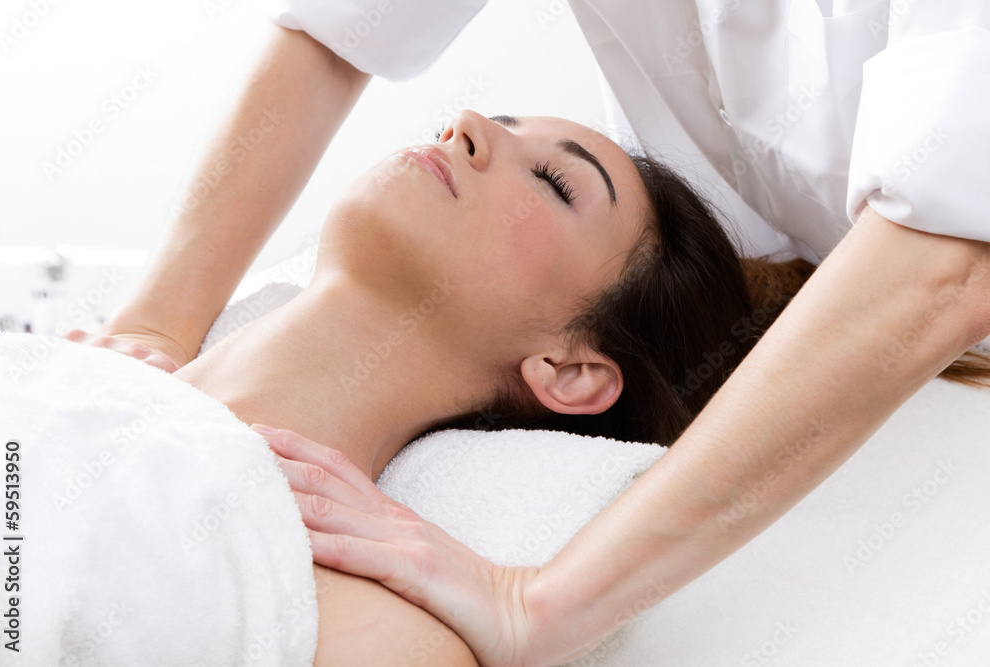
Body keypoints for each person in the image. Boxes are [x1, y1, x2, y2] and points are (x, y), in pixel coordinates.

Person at [78, 1, 990, 664]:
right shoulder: (63, 391)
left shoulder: (350, 617)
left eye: (556, 182)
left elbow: (943, 262)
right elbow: (338, 23)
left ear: (571, 367)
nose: (464, 122)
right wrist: (149, 335)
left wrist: (541, 604)